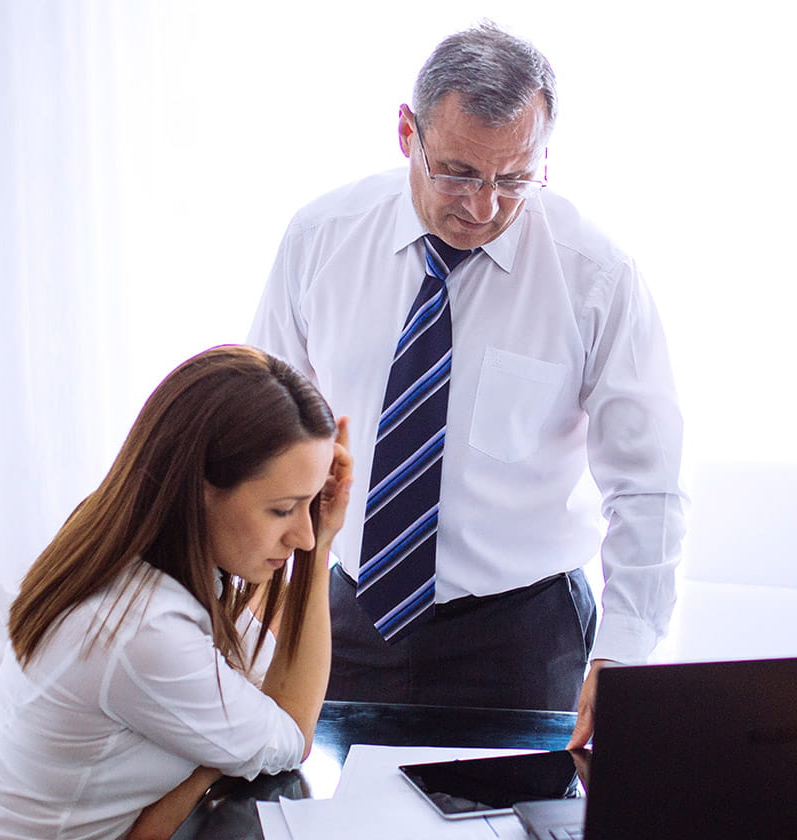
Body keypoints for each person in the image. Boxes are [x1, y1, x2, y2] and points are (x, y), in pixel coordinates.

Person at [248, 21, 685, 746]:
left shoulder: (596, 276)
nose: (482, 207)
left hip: (521, 637)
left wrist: (625, 653)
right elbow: (259, 432)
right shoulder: (321, 239)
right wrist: (247, 613)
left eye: (513, 179)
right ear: (406, 132)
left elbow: (649, 486)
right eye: (457, 171)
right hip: (343, 614)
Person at [0, 345, 352, 840]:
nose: (305, 536)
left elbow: (260, 687)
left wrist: (197, 779)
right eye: (284, 509)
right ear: (199, 488)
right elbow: (291, 733)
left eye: (315, 508)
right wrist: (325, 554)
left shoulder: (138, 547)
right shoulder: (141, 629)